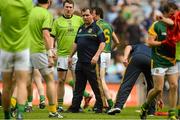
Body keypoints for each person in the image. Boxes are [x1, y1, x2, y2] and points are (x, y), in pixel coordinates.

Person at [51, 0, 92, 112]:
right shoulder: (57, 21)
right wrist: (51, 49)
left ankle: (76, 105)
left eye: (70, 7)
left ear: (73, 8)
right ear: (63, 8)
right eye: (66, 7)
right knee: (61, 81)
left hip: (76, 55)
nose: (68, 9)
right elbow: (52, 37)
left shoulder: (79, 20)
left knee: (77, 81)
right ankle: (59, 106)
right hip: (62, 55)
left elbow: (88, 31)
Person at [140, 3, 178, 119]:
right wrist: (163, 43)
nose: (174, 16)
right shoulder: (156, 25)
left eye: (175, 14)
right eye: (171, 14)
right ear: (165, 13)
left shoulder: (177, 25)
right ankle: (145, 106)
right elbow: (149, 43)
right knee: (158, 89)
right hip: (158, 60)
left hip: (172, 60)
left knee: (174, 85)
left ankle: (172, 114)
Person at [67, 7, 105, 113]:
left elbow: (103, 43)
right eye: (83, 15)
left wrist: (96, 56)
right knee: (78, 86)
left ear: (92, 15)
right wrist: (70, 56)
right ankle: (75, 107)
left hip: (92, 62)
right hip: (80, 62)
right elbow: (76, 43)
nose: (85, 17)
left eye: (87, 15)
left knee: (96, 85)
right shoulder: (80, 28)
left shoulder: (97, 28)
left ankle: (101, 107)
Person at [29, 0, 63, 118]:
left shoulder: (29, 11)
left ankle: (14, 109)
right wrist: (50, 54)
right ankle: (53, 111)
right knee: (49, 80)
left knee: (23, 82)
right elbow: (46, 34)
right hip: (38, 50)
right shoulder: (46, 14)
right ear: (49, 1)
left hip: (24, 50)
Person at [0, 0, 33, 119]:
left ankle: (7, 115)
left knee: (6, 86)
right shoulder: (27, 3)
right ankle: (19, 113)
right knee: (22, 83)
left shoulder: (3, 3)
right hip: (22, 49)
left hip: (5, 49)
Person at [107, 43, 155, 115]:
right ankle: (151, 111)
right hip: (150, 60)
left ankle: (118, 106)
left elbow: (128, 46)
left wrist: (125, 57)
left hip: (137, 58)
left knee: (127, 83)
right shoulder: (154, 49)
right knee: (152, 87)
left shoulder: (139, 45)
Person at [92, 7, 120, 110]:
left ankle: (110, 103)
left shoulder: (96, 25)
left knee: (101, 80)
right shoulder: (109, 25)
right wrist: (111, 49)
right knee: (100, 79)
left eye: (92, 13)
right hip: (108, 54)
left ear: (97, 14)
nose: (91, 15)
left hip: (101, 54)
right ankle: (102, 103)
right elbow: (117, 41)